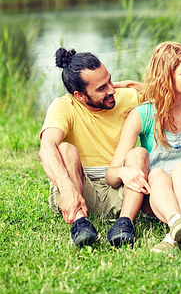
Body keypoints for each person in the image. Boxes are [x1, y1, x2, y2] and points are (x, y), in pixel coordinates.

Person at [106, 42, 181, 252]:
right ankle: (177, 223)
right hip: (161, 195)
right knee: (156, 174)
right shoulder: (142, 115)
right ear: (166, 77)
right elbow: (111, 174)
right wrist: (124, 172)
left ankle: (172, 239)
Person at [39, 48, 147, 247]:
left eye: (110, 81)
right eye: (101, 88)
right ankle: (80, 223)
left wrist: (128, 84)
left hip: (120, 188)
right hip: (79, 187)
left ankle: (125, 223)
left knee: (138, 153)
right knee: (65, 149)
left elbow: (169, 94)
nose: (112, 90)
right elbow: (46, 147)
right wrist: (67, 189)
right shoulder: (63, 107)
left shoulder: (126, 96)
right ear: (79, 95)